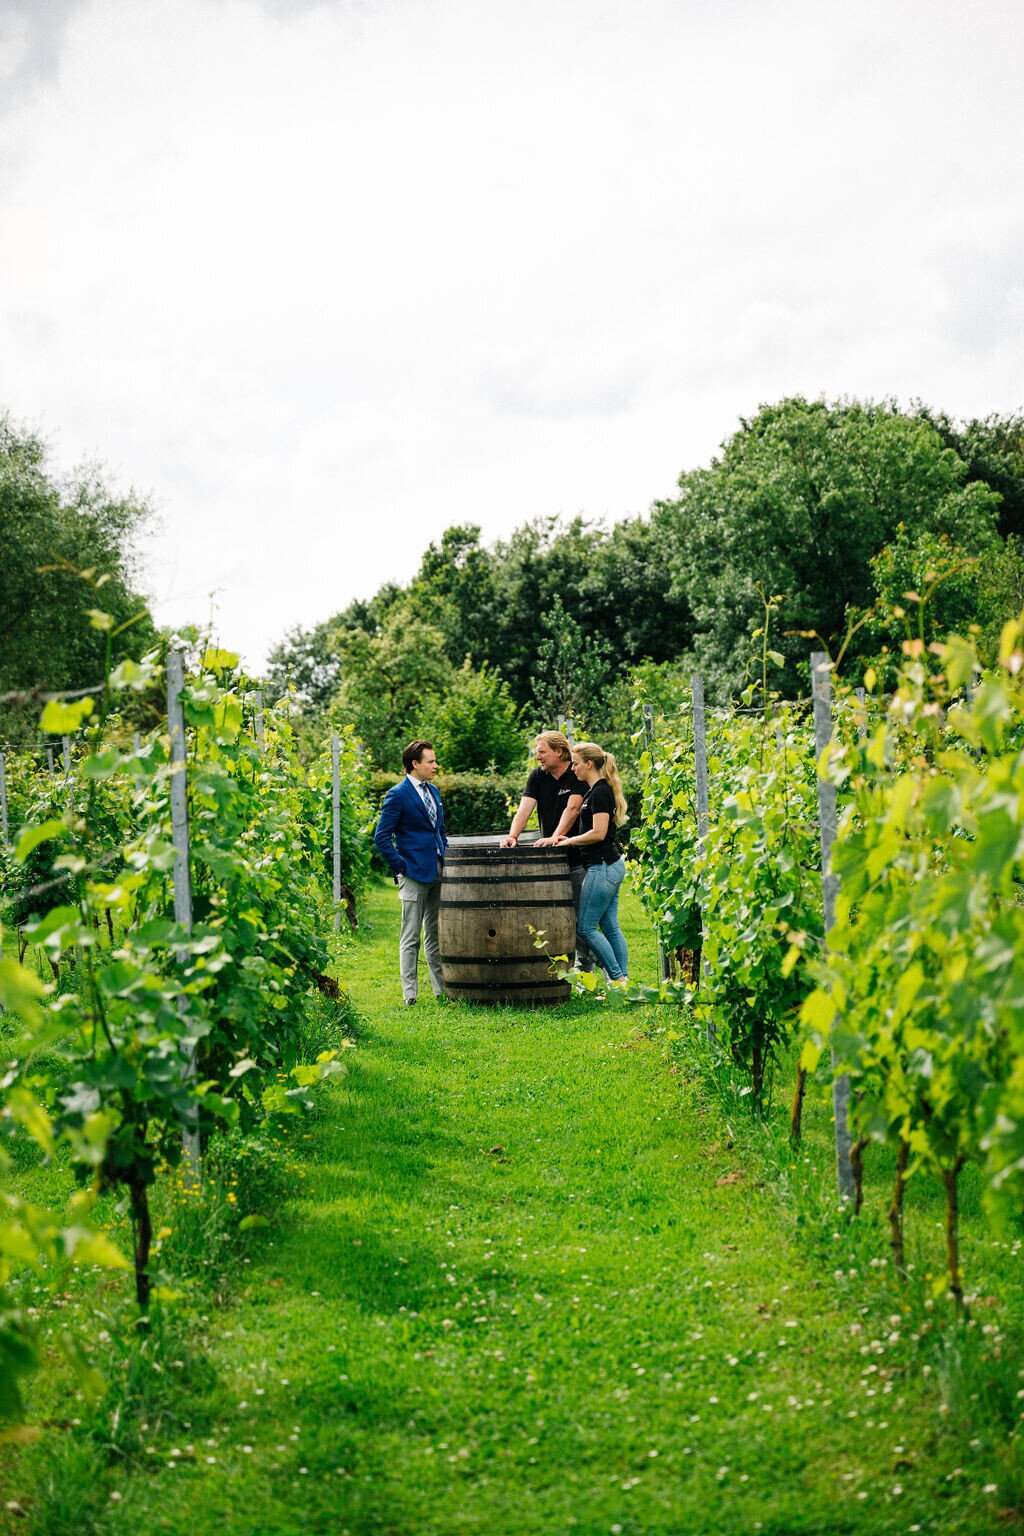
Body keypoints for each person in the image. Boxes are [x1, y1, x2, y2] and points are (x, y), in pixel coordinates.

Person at [501, 731, 594, 971]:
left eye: (542, 751)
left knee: (582, 922)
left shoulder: (576, 773)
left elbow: (573, 809)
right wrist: (513, 836)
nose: (538, 756)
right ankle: (577, 969)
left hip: (577, 859)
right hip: (551, 863)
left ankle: (594, 970)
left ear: (559, 752)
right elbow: (524, 809)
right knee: (558, 920)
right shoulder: (537, 776)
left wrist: (555, 837)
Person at [373, 739, 448, 1005]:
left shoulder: (434, 792)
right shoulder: (397, 794)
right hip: (413, 873)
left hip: (438, 870)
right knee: (411, 936)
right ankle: (410, 994)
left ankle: (441, 991)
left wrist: (444, 854)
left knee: (435, 936)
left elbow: (440, 830)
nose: (436, 766)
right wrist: (401, 867)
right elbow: (381, 837)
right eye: (431, 761)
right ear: (415, 764)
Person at [552, 741, 629, 985]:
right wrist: (566, 838)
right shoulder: (595, 791)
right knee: (610, 927)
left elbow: (598, 832)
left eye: (575, 764)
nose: (572, 768)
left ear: (588, 764)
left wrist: (570, 841)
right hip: (609, 866)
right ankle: (623, 982)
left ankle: (617, 979)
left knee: (585, 928)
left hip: (602, 866)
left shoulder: (600, 792)